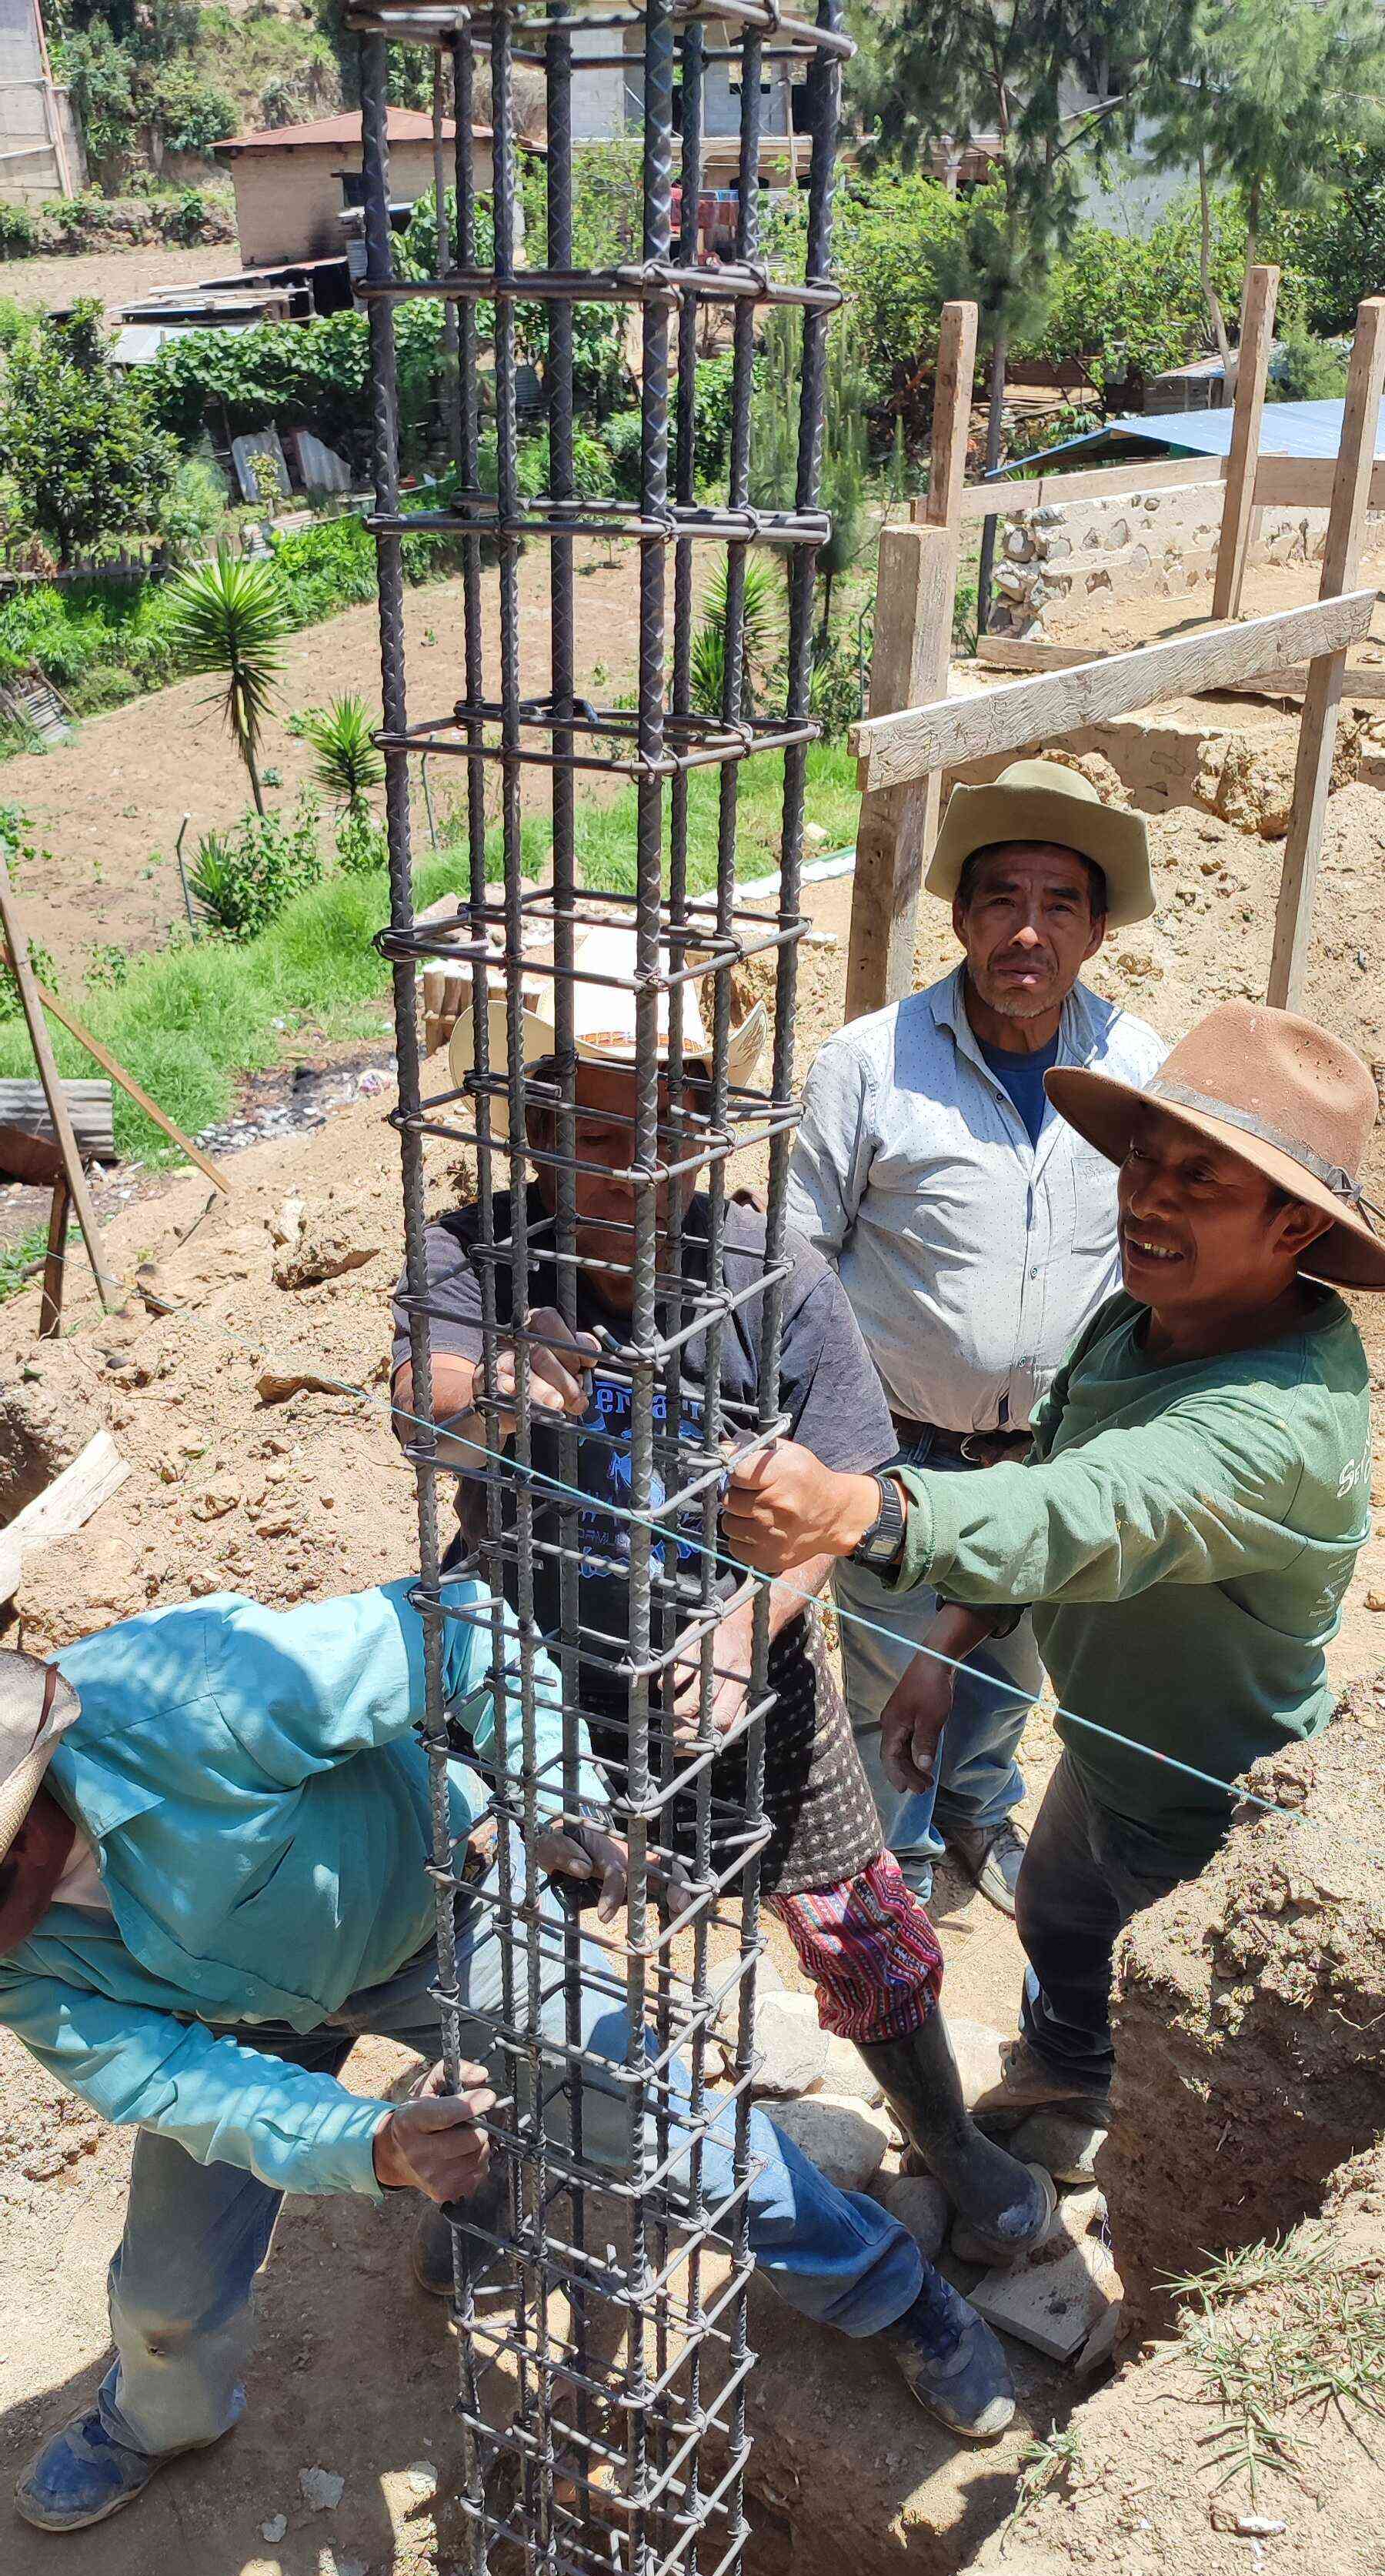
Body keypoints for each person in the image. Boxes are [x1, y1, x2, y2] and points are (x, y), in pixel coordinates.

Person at [1, 1573, 1022, 2534]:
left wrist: (558, 1797)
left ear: (34, 1797)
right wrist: (372, 2148)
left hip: (453, 1912)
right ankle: (157, 2418)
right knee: (162, 2293)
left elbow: (464, 1633)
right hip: (235, 2019)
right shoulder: (14, 1962)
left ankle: (897, 2295)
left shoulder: (187, 1698)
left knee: (667, 2133)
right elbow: (172, 2083)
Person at [394, 920, 1057, 2279]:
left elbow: (848, 1490)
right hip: (524, 1650)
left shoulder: (772, 1275)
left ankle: (946, 2135)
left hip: (735, 1643)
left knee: (855, 1906)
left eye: (658, 1128)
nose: (624, 1165)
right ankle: (486, 2189)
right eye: (588, 1127)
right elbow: (421, 1417)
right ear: (533, 1127)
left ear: (702, 1128)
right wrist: (510, 1386)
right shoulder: (476, 1253)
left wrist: (754, 1627)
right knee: (496, 1926)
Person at [726, 1003, 1380, 2184]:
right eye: (1142, 1159)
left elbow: (1088, 1512)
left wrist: (861, 1511)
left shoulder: (1274, 1421)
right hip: (1108, 1754)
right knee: (1062, 1923)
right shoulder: (1148, 1317)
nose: (1148, 1198)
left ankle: (1137, 2178)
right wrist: (950, 1644)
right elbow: (1061, 1467)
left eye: (1199, 1180)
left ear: (1293, 1227)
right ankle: (1065, 2073)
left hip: (1207, 1812)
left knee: (1179, 2033)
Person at [787, 759, 1164, 1917]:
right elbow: (795, 1259)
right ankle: (885, 1865)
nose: (1026, 931)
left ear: (1097, 930)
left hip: (1054, 1462)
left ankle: (976, 1813)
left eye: (1059, 904)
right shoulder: (871, 1062)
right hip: (897, 1452)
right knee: (890, 1675)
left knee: (1010, 1674)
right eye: (1002, 897)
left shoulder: (1139, 1069)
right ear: (959, 915)